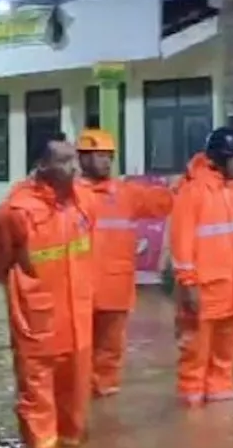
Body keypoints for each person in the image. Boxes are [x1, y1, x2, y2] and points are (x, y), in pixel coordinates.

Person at [0, 133, 94, 448]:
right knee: (38, 401)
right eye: (64, 161)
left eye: (74, 158)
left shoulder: (83, 201)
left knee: (75, 405)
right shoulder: (15, 212)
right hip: (37, 323)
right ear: (42, 165)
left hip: (78, 321)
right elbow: (0, 263)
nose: (74, 168)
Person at [75, 128, 175, 397]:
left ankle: (104, 401)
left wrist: (182, 183)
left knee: (111, 350)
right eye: (99, 156)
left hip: (115, 290)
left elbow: (163, 203)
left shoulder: (125, 193)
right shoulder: (69, 195)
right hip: (79, 291)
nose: (106, 161)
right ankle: (81, 398)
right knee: (79, 351)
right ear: (83, 159)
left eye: (109, 156)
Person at [169, 126, 233, 406]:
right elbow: (181, 242)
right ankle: (191, 419)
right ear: (221, 157)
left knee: (225, 360)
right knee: (194, 356)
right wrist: (188, 283)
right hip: (203, 291)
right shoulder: (192, 191)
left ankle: (219, 420)